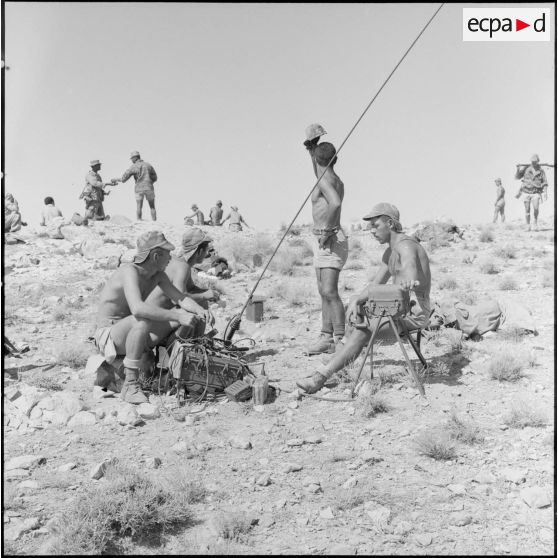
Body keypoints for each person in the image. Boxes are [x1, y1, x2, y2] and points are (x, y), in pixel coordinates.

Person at [297, 203, 431, 394]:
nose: (371, 230)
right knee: (355, 310)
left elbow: (409, 271)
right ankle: (340, 354)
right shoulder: (390, 251)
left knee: (364, 328)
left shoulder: (407, 247)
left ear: (391, 224)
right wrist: (356, 300)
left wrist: (409, 280)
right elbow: (375, 285)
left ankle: (321, 376)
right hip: (395, 307)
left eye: (376, 225)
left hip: (412, 313)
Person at [94, 230, 208, 404]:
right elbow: (138, 309)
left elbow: (180, 298)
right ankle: (130, 386)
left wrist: (199, 310)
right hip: (109, 334)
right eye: (167, 254)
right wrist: (177, 315)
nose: (171, 258)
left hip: (130, 330)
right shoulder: (129, 271)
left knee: (189, 319)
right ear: (155, 256)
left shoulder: (158, 276)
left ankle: (169, 372)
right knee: (144, 319)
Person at [303, 123, 348, 355]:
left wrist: (328, 230)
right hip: (324, 240)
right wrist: (313, 152)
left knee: (329, 291)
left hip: (330, 239)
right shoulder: (331, 177)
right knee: (323, 291)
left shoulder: (326, 181)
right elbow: (318, 171)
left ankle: (339, 339)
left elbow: (336, 204)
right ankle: (325, 336)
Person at [146, 228, 221, 319]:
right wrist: (204, 296)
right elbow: (179, 299)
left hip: (151, 310)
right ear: (200, 252)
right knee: (195, 308)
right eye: (206, 250)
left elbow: (191, 288)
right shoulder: (182, 267)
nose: (207, 254)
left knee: (199, 301)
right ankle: (193, 334)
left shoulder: (179, 261)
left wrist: (209, 293)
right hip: (154, 316)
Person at [121, 151, 158, 221]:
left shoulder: (133, 166)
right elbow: (155, 177)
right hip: (149, 187)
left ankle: (139, 220)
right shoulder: (148, 165)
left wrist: (117, 179)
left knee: (139, 206)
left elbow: (124, 179)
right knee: (152, 206)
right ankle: (154, 221)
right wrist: (149, 182)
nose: (131, 160)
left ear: (135, 158)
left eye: (132, 159)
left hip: (139, 188)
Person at [514, 154, 548, 231]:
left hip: (535, 192)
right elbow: (517, 177)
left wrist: (545, 192)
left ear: (538, 161)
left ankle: (535, 223)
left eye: (535, 161)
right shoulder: (526, 169)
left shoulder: (541, 170)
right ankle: (528, 225)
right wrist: (517, 169)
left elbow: (545, 182)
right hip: (526, 192)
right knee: (527, 209)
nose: (533, 163)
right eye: (532, 161)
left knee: (536, 208)